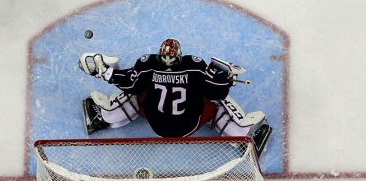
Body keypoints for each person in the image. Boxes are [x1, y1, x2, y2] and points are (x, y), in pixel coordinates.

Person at [78, 38, 273, 157]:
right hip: (189, 124)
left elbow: (130, 82)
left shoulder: (148, 64)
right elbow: (218, 91)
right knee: (214, 101)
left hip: (157, 125)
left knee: (138, 90)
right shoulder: (193, 66)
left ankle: (102, 116)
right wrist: (226, 78)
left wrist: (106, 73)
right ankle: (245, 134)